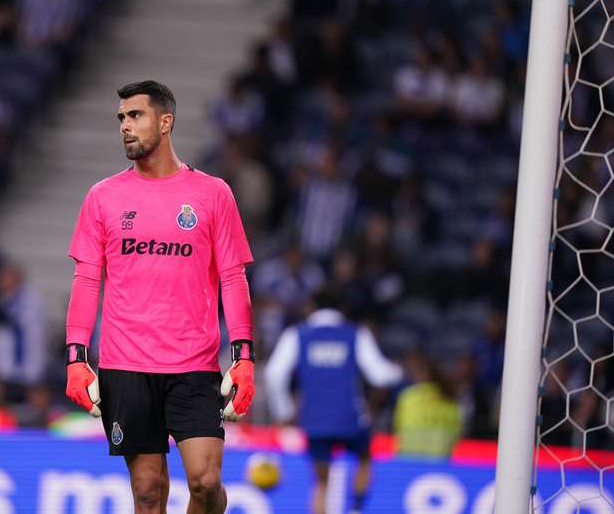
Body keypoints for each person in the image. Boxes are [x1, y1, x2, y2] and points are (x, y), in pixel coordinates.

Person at [65, 80, 256, 514]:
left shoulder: (212, 194)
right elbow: (86, 280)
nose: (125, 127)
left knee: (206, 483)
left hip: (194, 363)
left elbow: (233, 277)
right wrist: (76, 356)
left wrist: (243, 355)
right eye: (121, 119)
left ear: (165, 122)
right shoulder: (103, 197)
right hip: (125, 365)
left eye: (135, 116)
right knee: (149, 491)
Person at [265, 288, 402, 514]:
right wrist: (397, 372)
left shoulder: (297, 334)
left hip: (314, 420)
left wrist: (285, 411)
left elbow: (274, 373)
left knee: (320, 484)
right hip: (349, 418)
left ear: (311, 308)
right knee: (365, 459)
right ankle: (356, 509)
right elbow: (379, 374)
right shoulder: (355, 333)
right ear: (342, 309)